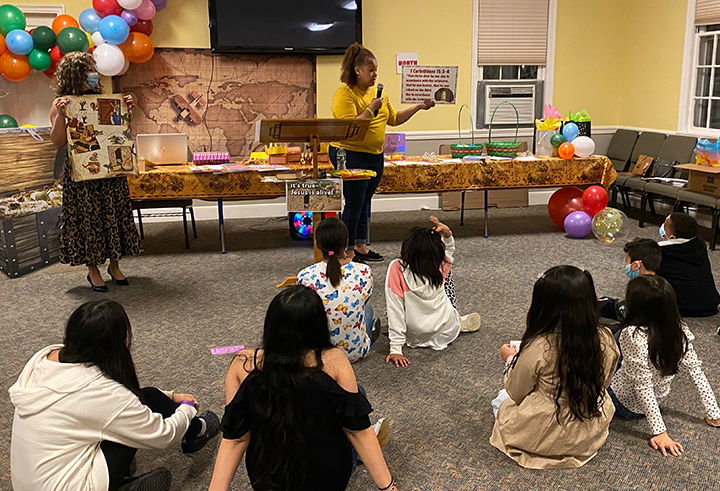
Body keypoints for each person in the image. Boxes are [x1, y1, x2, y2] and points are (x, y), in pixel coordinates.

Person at [9, 300, 219, 491]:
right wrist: (187, 408)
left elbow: (118, 401)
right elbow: (162, 435)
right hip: (70, 485)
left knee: (148, 397)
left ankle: (193, 430)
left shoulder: (46, 358)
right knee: (139, 421)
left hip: (30, 480)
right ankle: (122, 486)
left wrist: (169, 396)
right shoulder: (103, 392)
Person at [210, 285, 396, 491]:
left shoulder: (243, 363)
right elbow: (357, 431)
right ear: (318, 326)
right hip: (327, 477)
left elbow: (236, 438)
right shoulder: (333, 361)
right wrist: (388, 487)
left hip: (268, 477)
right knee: (355, 398)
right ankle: (363, 449)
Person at [490, 266, 619, 469]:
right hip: (587, 428)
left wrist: (510, 360)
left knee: (501, 399)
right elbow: (604, 381)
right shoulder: (605, 338)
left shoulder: (539, 346)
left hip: (543, 429)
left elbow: (516, 391)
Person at [331, 42, 435, 263]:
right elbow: (350, 127)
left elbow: (394, 119)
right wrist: (370, 108)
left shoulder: (381, 94)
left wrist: (418, 107)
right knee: (354, 201)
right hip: (350, 152)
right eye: (370, 70)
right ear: (357, 71)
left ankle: (360, 245)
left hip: (374, 154)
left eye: (376, 70)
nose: (375, 74)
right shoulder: (345, 94)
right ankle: (346, 251)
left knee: (365, 200)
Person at [50, 52, 142, 292]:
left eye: (93, 69)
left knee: (113, 215)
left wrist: (127, 111)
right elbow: (57, 141)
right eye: (88, 69)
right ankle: (93, 270)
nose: (93, 74)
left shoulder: (104, 99)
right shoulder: (62, 102)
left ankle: (114, 265)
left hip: (109, 170)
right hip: (83, 174)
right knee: (89, 220)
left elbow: (118, 133)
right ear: (75, 74)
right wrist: (61, 116)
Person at [609, 275, 720, 457]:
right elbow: (696, 371)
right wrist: (714, 412)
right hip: (658, 397)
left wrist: (660, 432)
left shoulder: (632, 335)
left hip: (624, 403)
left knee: (603, 349)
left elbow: (642, 386)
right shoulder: (680, 329)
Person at [385, 216, 480, 368]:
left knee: (393, 306)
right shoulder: (441, 264)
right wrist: (447, 233)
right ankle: (458, 324)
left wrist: (396, 348)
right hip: (444, 329)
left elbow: (394, 309)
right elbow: (449, 249)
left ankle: (455, 324)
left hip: (414, 334)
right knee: (447, 279)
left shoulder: (397, 268)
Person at [298, 217, 379, 363]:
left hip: (317, 355)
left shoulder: (305, 276)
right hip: (355, 353)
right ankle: (368, 334)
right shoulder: (364, 271)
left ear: (317, 243)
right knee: (367, 309)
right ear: (346, 242)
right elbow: (363, 301)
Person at [657, 212, 719, 317]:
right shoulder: (699, 243)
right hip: (710, 301)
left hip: (687, 306)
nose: (662, 227)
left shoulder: (663, 251)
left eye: (665, 224)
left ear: (672, 237)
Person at [598, 237, 661, 326]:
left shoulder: (638, 289)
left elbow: (630, 320)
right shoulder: (661, 284)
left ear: (635, 265)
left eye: (627, 262)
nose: (626, 266)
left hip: (638, 328)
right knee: (605, 303)